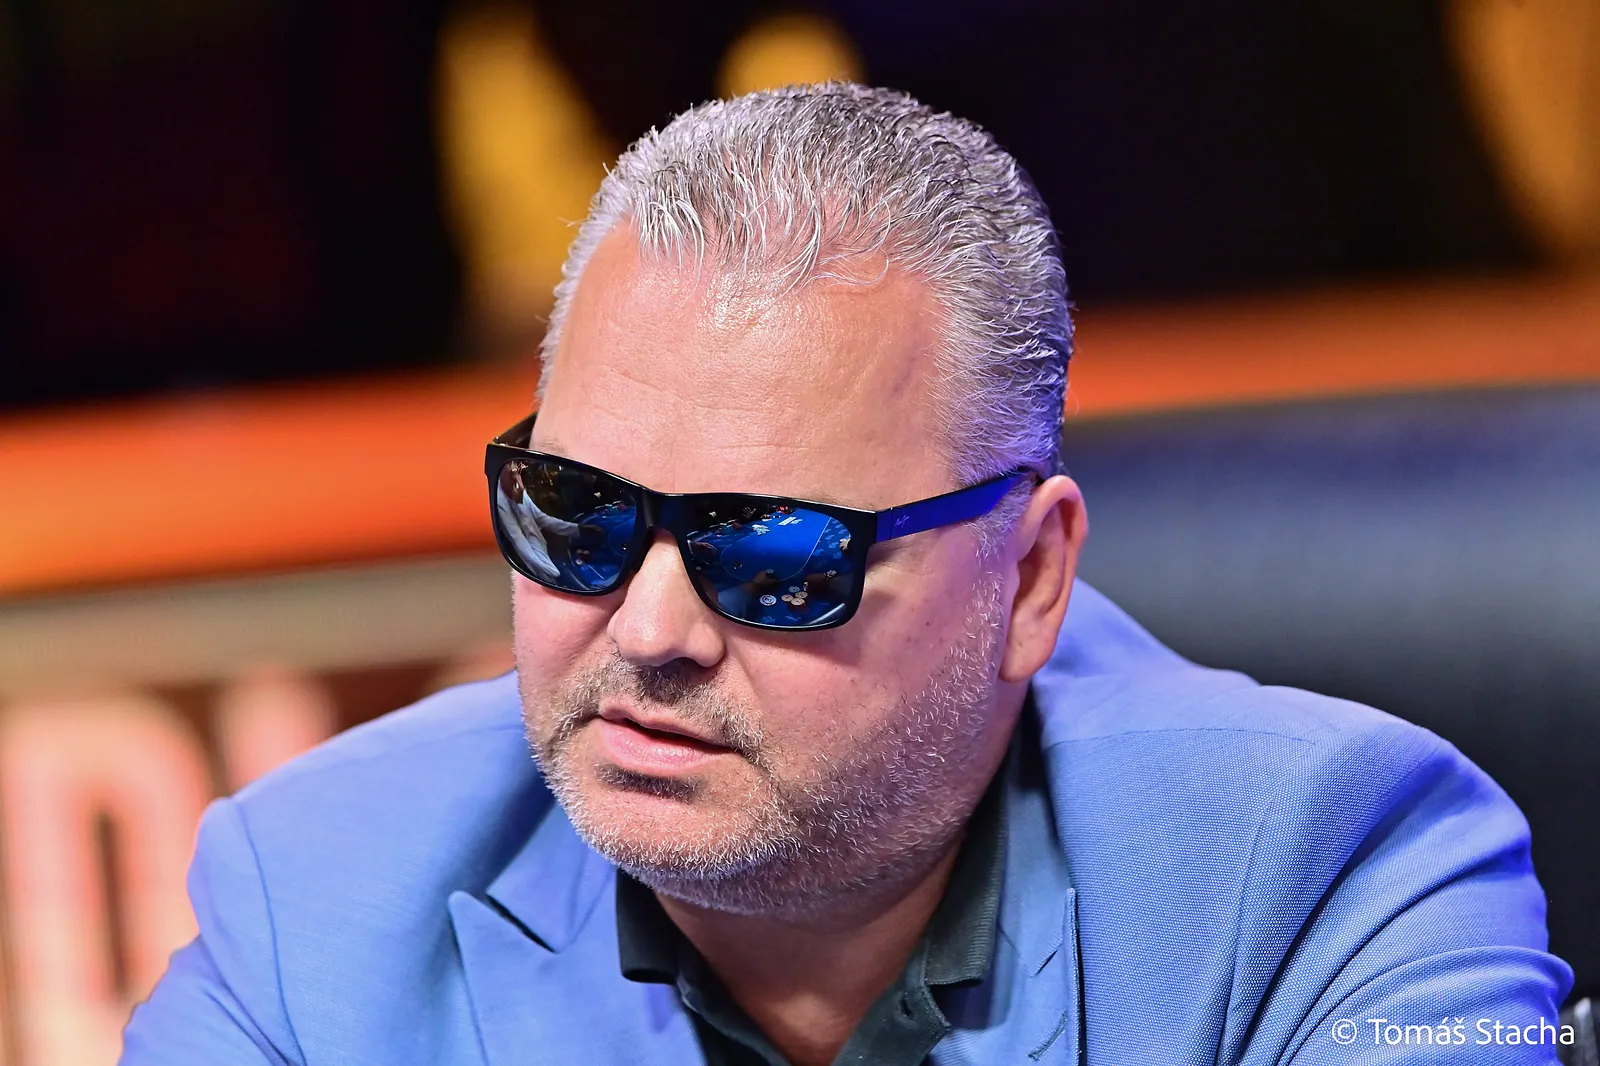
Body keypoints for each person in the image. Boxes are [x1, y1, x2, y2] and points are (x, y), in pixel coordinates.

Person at [121, 84, 1572, 1065]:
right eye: (578, 514)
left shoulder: (1331, 877)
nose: (650, 626)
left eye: (772, 553)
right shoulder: (312, 899)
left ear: (1031, 579)